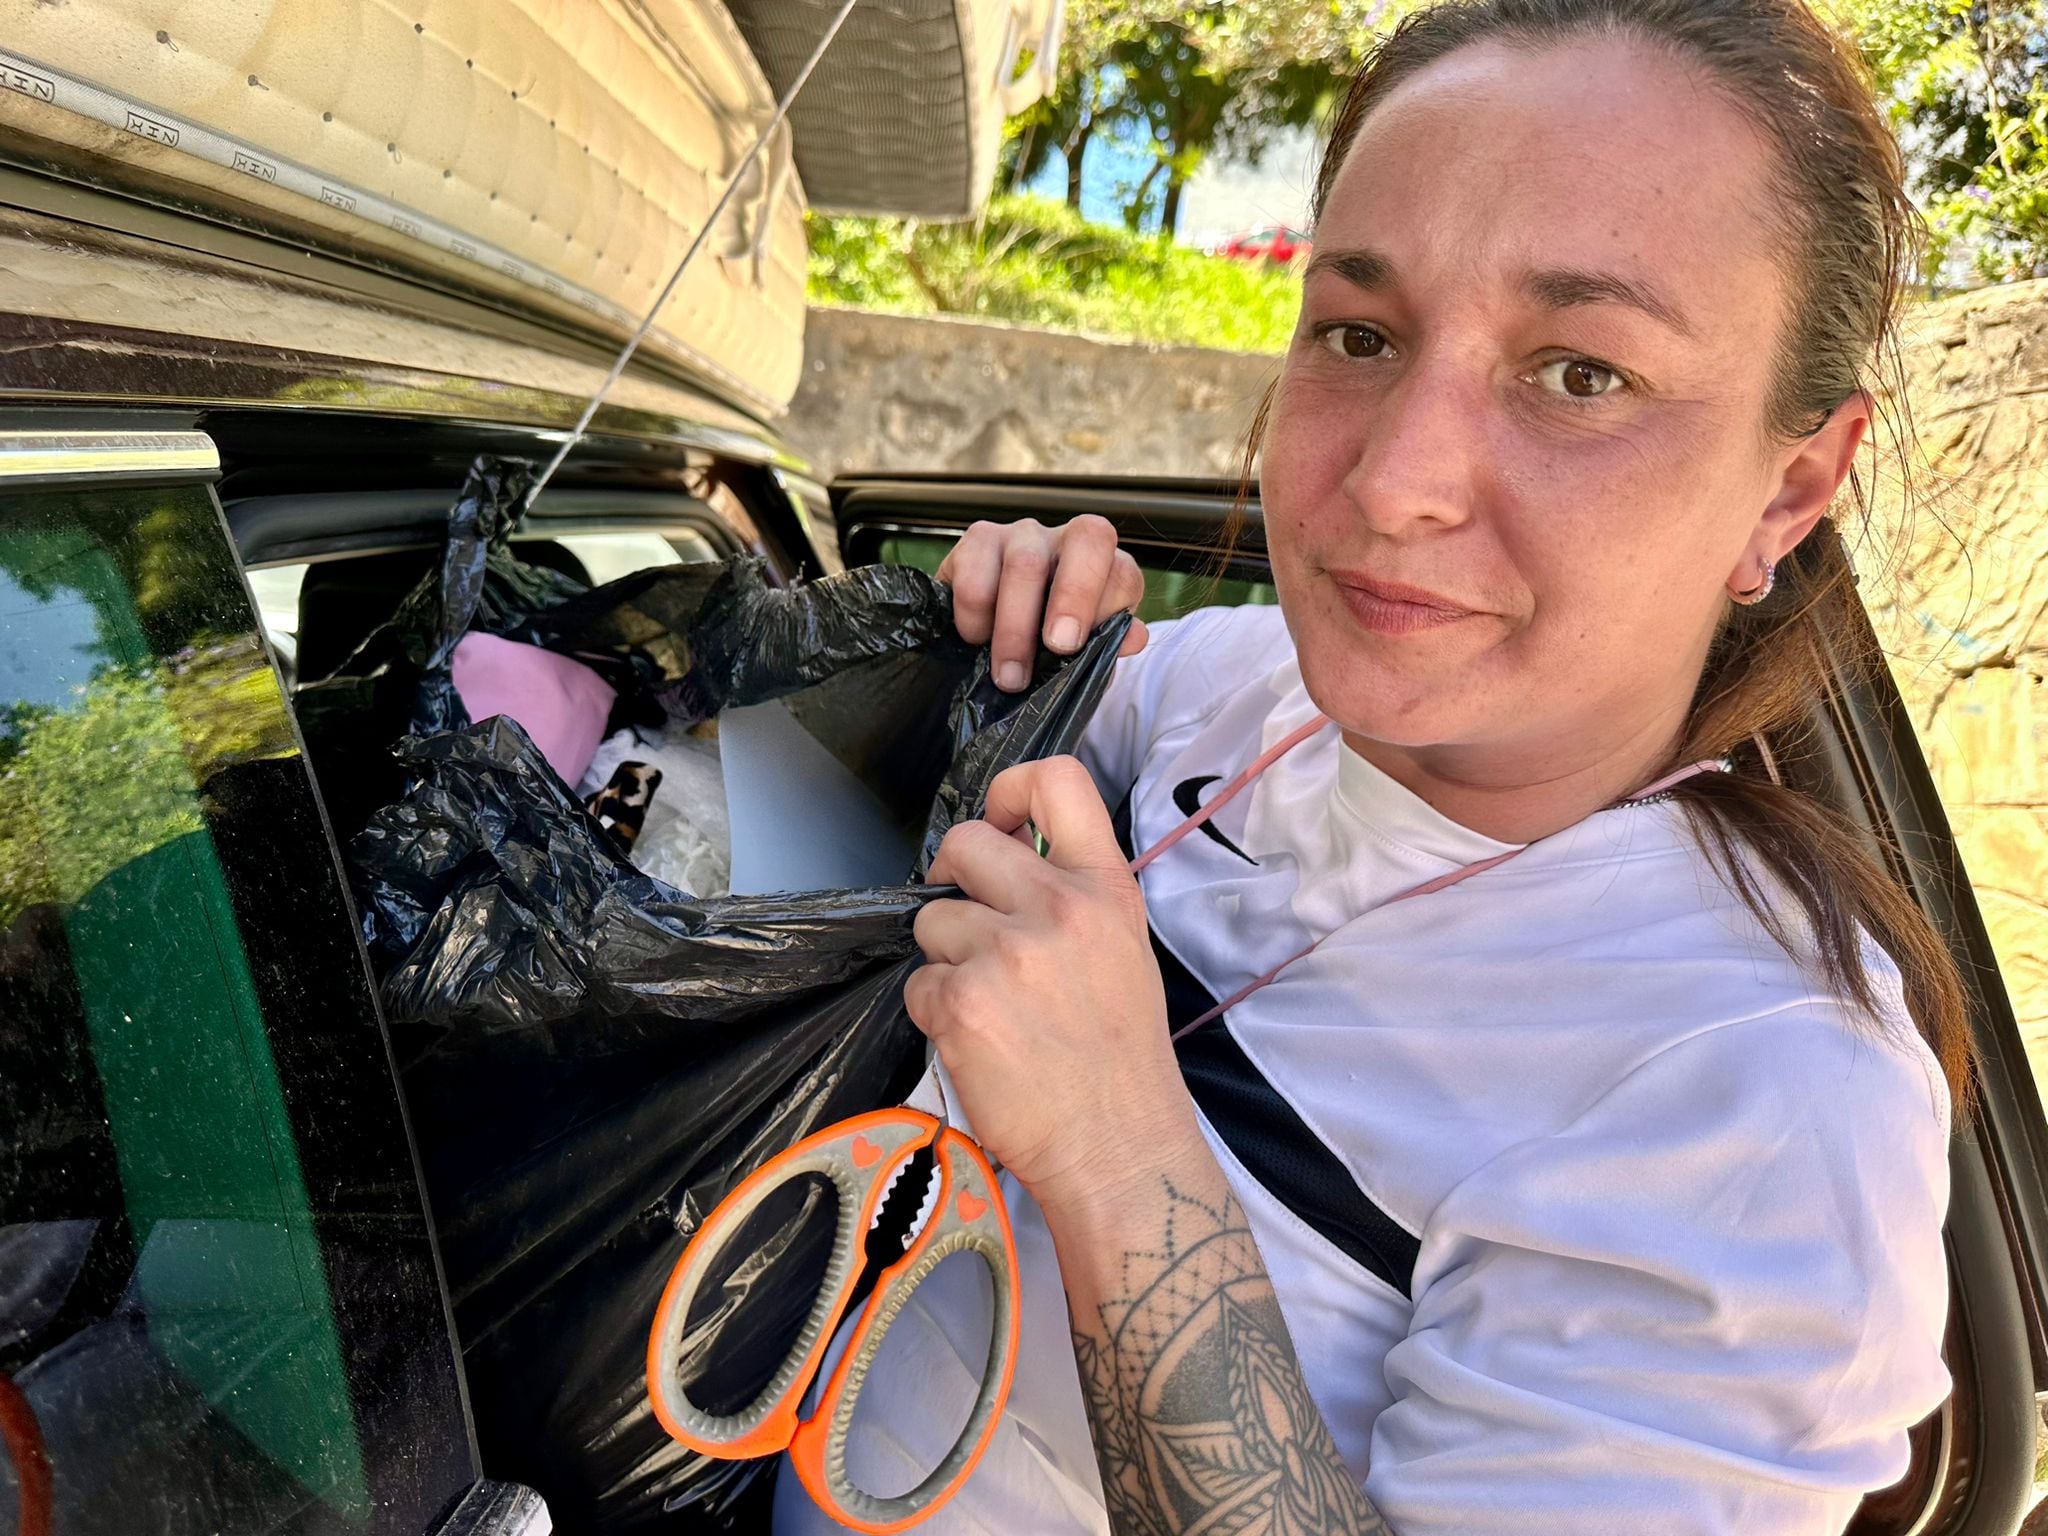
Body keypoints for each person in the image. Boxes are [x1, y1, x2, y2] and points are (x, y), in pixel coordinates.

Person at [772, 1, 1974, 1531]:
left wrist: (1118, 1150)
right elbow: (917, 772)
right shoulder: (1238, 693)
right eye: (1360, 334)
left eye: (1581, 374)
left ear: (1791, 488)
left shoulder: (1765, 1100)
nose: (1393, 483)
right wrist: (988, 637)